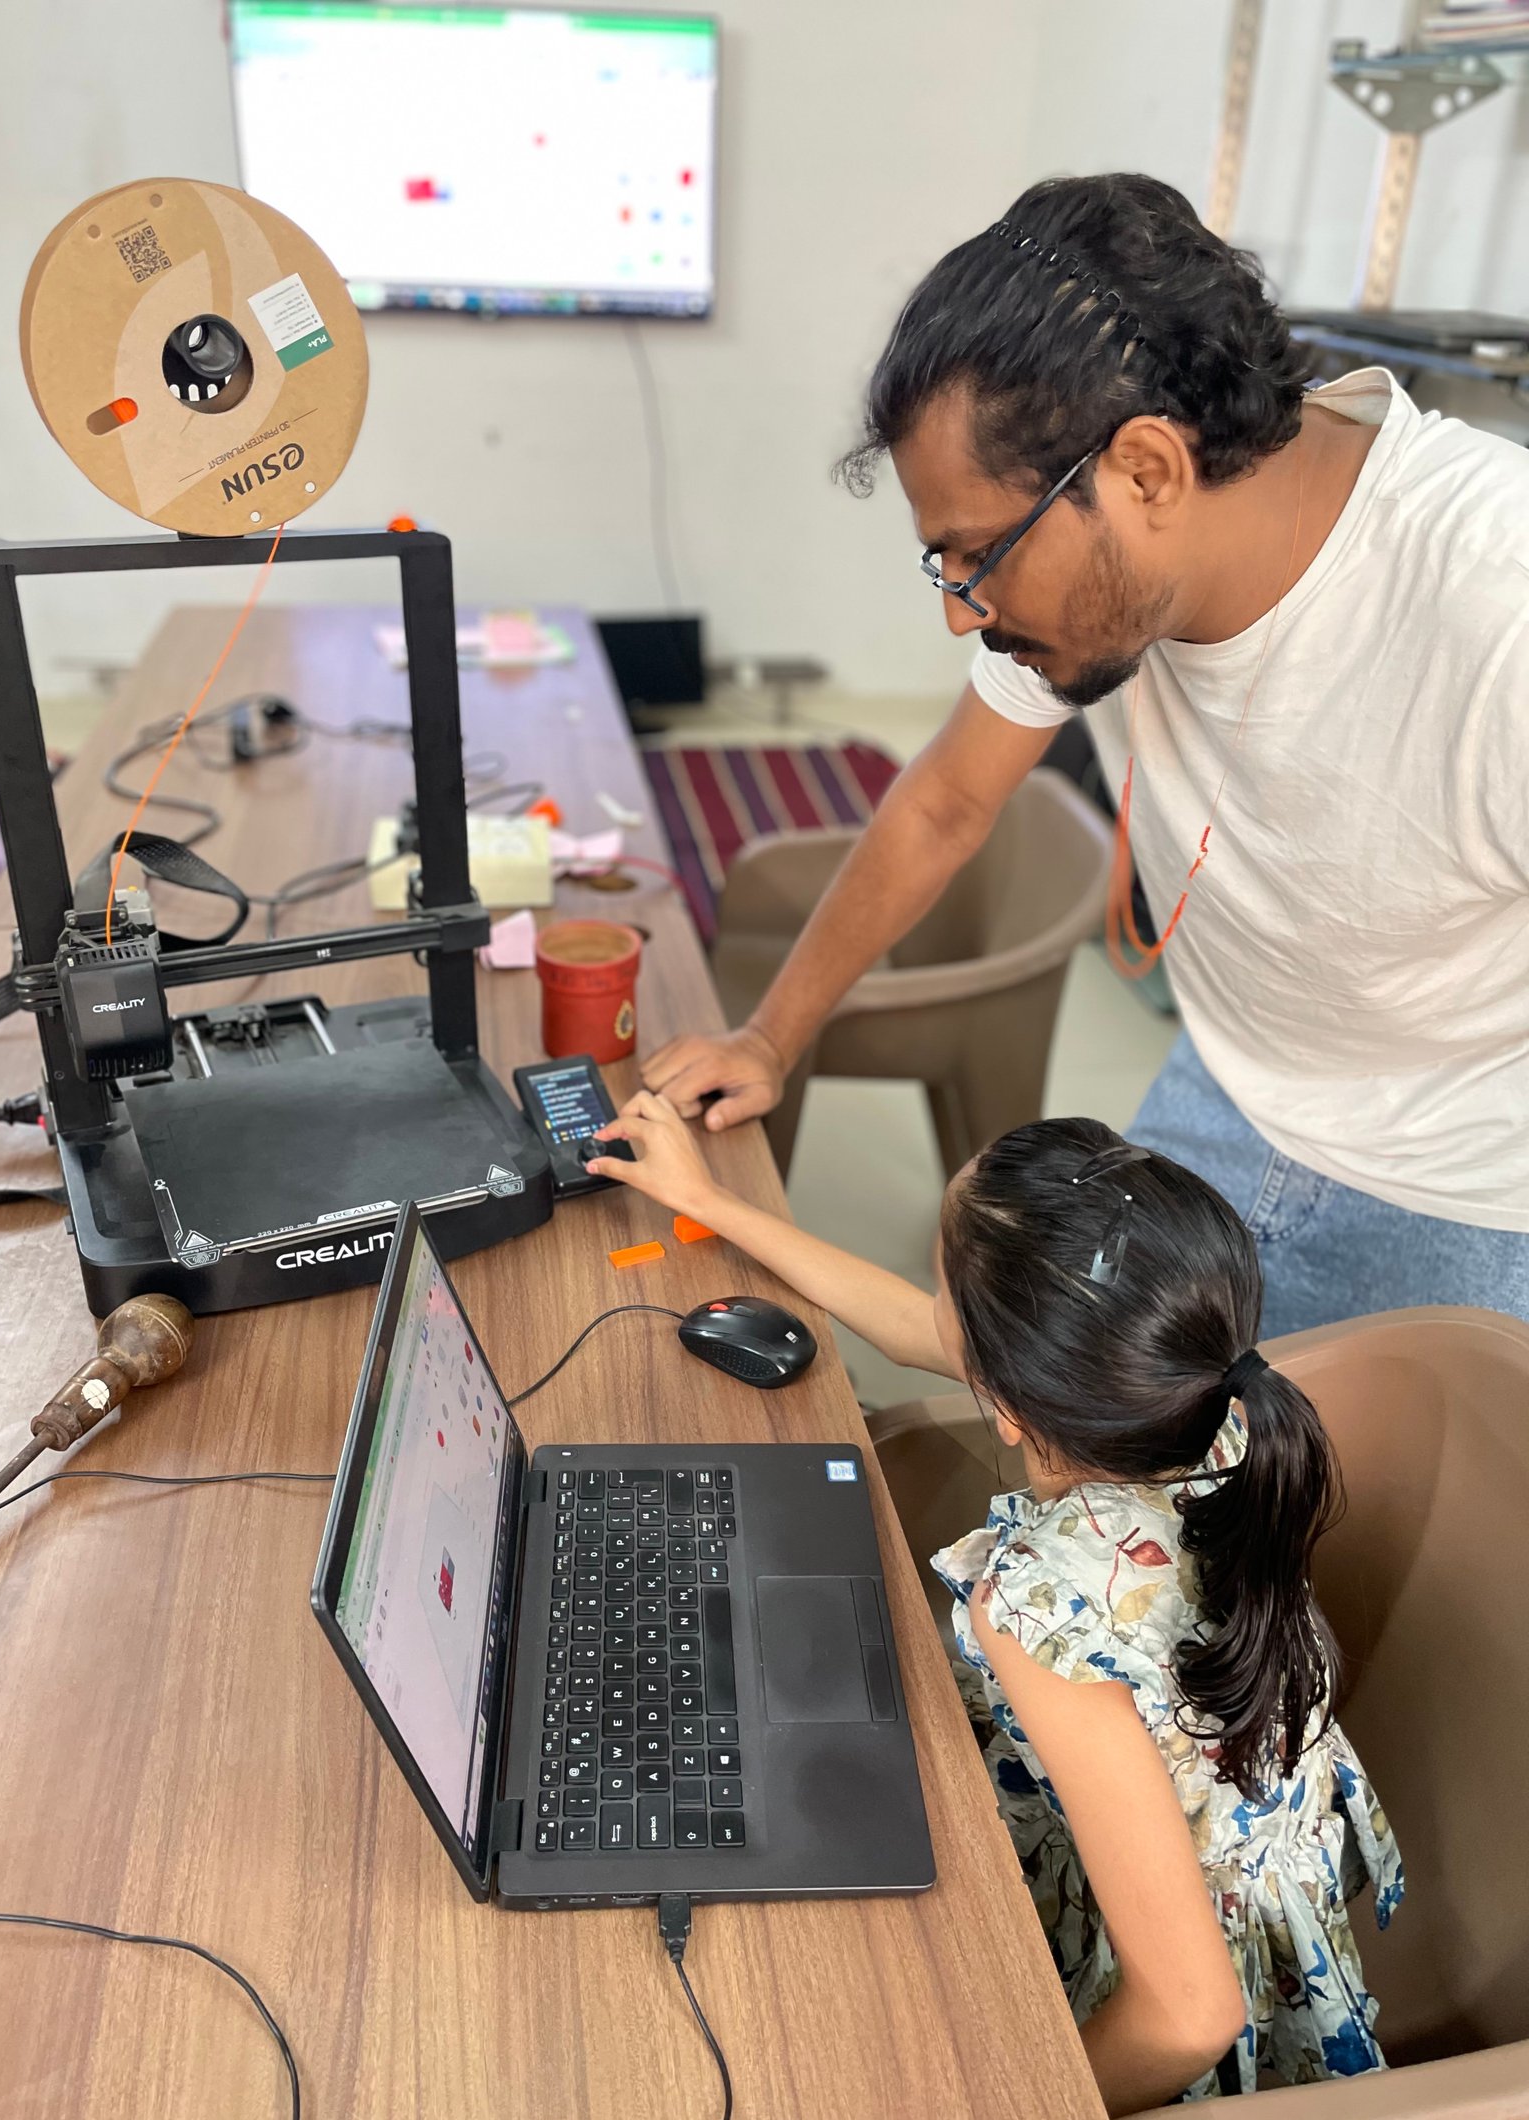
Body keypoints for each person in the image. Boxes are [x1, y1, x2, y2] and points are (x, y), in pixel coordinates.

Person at [641, 172, 1529, 1340]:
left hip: (1464, 1194)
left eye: (974, 557)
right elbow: (945, 803)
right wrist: (769, 1037)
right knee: (1117, 1491)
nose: (962, 613)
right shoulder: (1097, 559)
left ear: (1147, 470)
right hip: (1229, 1093)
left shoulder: (1492, 599)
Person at [585, 1095, 1403, 2113]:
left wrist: (1009, 2110)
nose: (932, 1317)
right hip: (1209, 1851)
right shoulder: (1197, 1402)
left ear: (1008, 1402)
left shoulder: (1038, 1615)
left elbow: (1191, 2015)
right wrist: (707, 1201)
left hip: (1176, 2005)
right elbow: (916, 1325)